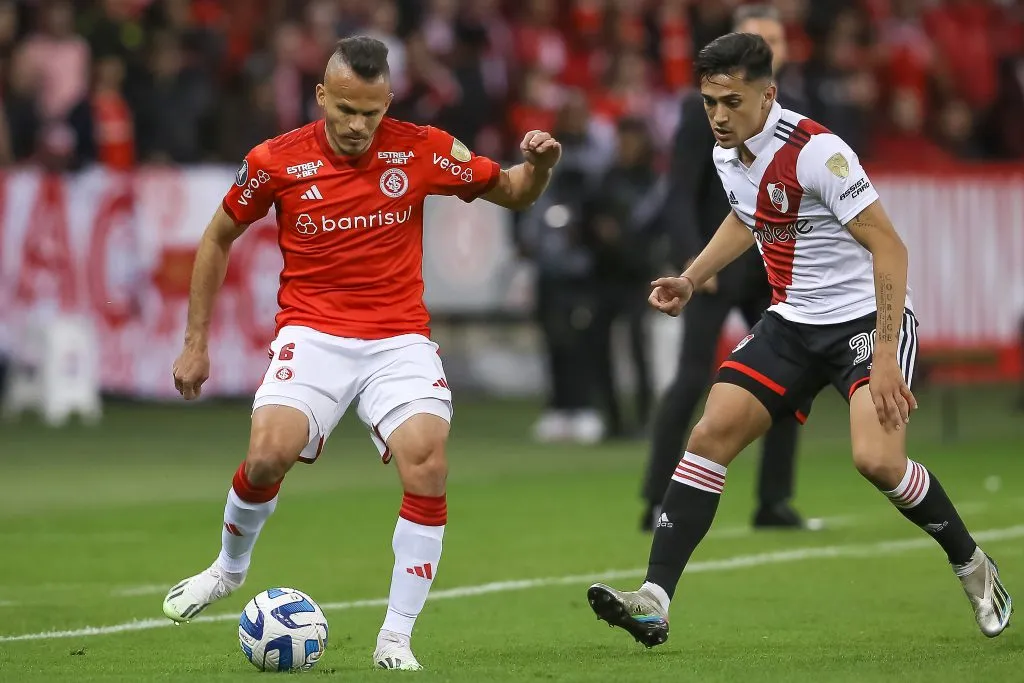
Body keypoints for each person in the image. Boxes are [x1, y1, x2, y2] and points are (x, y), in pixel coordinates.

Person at [587, 32, 1012, 647]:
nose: (719, 116)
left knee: (878, 461)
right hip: (791, 323)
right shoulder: (726, 151)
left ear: (769, 94)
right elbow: (746, 215)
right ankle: (654, 599)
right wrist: (690, 277)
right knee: (708, 436)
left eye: (732, 101)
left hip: (864, 323)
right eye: (709, 102)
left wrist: (889, 354)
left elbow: (890, 246)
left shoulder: (819, 153)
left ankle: (973, 565)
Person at [162, 36, 562, 671]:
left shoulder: (423, 147)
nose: (356, 125)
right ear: (322, 96)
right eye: (344, 109)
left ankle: (395, 637)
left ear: (388, 103)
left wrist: (539, 166)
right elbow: (217, 238)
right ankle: (228, 570)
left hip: (397, 339)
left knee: (426, 465)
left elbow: (513, 192)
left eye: (370, 113)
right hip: (312, 334)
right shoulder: (275, 160)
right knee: (266, 456)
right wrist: (195, 342)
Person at [641, 4, 810, 532]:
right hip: (715, 265)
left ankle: (773, 501)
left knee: (789, 384)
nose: (771, 49)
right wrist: (693, 261)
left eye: (777, 40)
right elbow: (678, 194)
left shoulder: (792, 114)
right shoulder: (706, 114)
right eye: (760, 39)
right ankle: (657, 499)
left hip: (768, 271)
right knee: (692, 380)